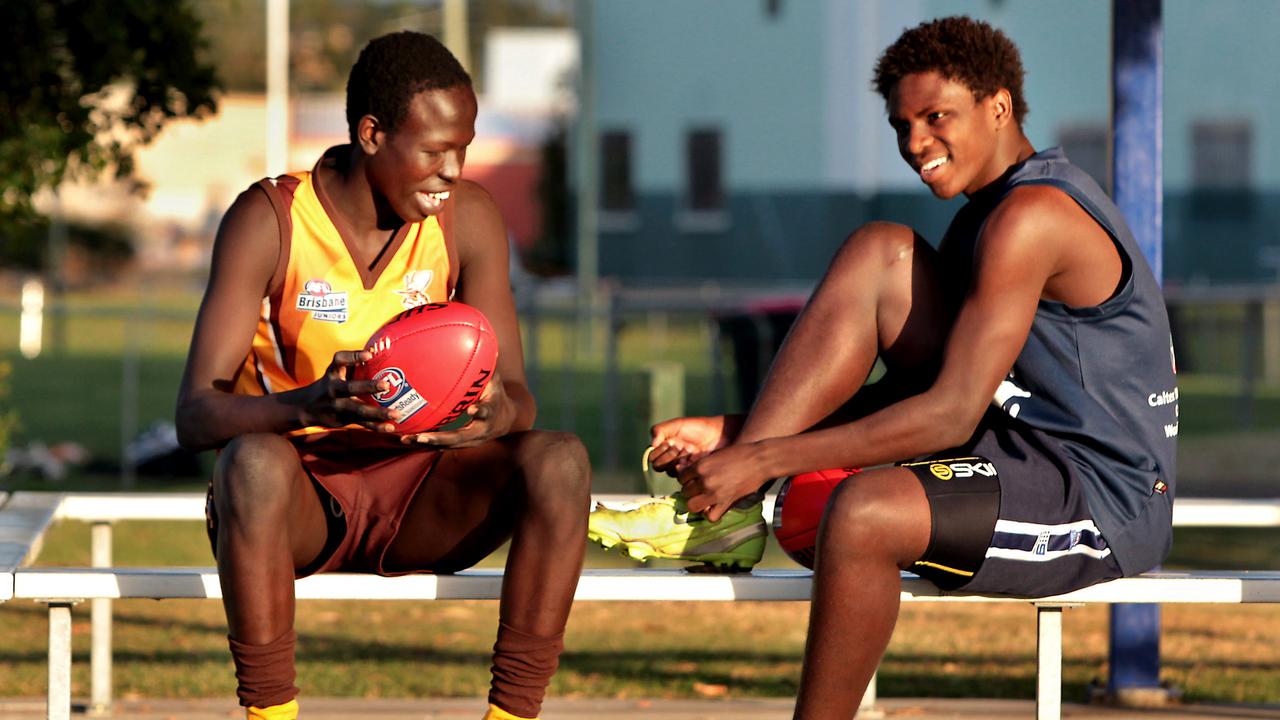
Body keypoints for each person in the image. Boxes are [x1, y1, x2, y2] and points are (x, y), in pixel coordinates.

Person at [587, 16, 1177, 718]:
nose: (916, 143)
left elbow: (950, 412)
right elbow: (916, 392)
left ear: (998, 106)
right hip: (1021, 451)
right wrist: (736, 434)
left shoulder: (1032, 216)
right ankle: (732, 514)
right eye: (903, 125)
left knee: (863, 513)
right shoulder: (985, 215)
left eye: (936, 117)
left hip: (1101, 498)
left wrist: (763, 457)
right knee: (883, 252)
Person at [175, 31, 589, 720]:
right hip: (296, 503)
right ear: (372, 133)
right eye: (434, 150)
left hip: (421, 494)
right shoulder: (269, 219)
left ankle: (510, 715)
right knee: (250, 465)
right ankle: (272, 715)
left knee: (563, 462)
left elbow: (518, 396)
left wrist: (492, 418)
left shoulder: (470, 219)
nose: (454, 168)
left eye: (463, 146)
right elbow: (194, 415)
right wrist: (310, 406)